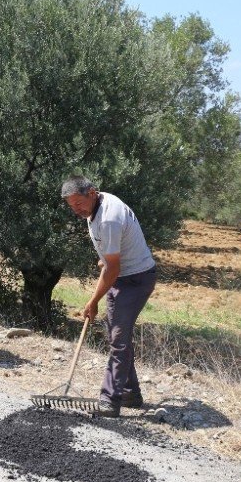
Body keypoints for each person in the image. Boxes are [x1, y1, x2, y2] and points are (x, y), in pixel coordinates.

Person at [61, 176, 157, 417]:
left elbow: (113, 269)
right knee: (119, 336)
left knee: (118, 339)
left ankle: (109, 401)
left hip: (135, 279)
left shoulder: (109, 217)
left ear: (92, 192)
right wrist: (106, 258)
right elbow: (111, 257)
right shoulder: (94, 208)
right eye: (71, 206)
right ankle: (131, 394)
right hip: (122, 275)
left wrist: (92, 302)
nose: (76, 210)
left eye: (79, 204)